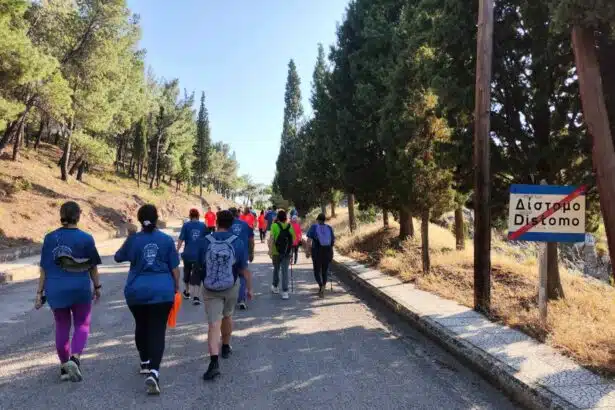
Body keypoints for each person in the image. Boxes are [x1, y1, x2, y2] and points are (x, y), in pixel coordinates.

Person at [114, 204, 181, 395]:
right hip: (162, 291)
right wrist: (176, 286)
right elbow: (175, 269)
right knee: (157, 330)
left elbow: (118, 257)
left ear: (139, 220)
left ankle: (144, 362)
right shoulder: (166, 240)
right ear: (157, 218)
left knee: (141, 325)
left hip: (136, 291)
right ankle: (154, 371)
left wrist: (129, 237)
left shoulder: (134, 240)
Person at [35, 201, 102, 382]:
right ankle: (75, 358)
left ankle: (64, 367)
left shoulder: (50, 238)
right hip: (80, 288)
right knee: (82, 324)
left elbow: (44, 268)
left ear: (61, 215)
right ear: (78, 215)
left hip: (55, 289)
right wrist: (97, 287)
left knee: (62, 325)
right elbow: (92, 267)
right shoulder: (86, 238)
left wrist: (39, 292)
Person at [198, 210, 253, 381]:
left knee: (214, 324)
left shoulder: (205, 241)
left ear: (216, 222)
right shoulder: (237, 242)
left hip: (210, 287)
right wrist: (249, 288)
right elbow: (243, 269)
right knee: (227, 315)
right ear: (231, 224)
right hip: (231, 286)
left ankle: (214, 362)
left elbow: (199, 263)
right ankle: (226, 346)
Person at [177, 208, 207, 305]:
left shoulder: (186, 225)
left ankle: (187, 291)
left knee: (187, 272)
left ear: (190, 216)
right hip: (199, 255)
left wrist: (176, 250)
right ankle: (196, 297)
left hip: (188, 254)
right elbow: (207, 239)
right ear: (198, 216)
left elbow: (181, 239)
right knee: (197, 274)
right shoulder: (203, 226)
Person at [230, 207, 254, 310]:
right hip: (243, 254)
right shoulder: (245, 224)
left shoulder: (227, 225)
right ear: (237, 214)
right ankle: (242, 300)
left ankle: (229, 300)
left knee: (231, 277)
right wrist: (251, 252)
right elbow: (251, 239)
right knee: (243, 277)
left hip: (230, 255)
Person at [268, 210, 295, 300]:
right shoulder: (290, 226)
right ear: (286, 218)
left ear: (278, 218)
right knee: (285, 271)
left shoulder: (274, 226)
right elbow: (293, 241)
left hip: (276, 252)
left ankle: (275, 287)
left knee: (276, 269)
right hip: (287, 252)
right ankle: (285, 292)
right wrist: (291, 252)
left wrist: (270, 250)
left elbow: (272, 238)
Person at [306, 213, 335, 298]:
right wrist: (331, 252)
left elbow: (309, 240)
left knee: (316, 271)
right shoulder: (329, 228)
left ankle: (321, 285)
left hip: (317, 251)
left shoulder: (314, 227)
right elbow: (332, 242)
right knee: (324, 271)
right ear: (324, 220)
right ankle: (324, 286)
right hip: (327, 251)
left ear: (318, 220)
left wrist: (307, 251)